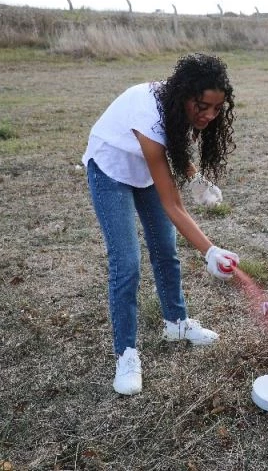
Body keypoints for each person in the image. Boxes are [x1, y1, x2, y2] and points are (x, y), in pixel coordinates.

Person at [82, 53, 240, 395]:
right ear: (186, 95)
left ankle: (176, 323)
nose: (209, 115)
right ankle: (126, 353)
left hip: (143, 167)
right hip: (109, 170)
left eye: (217, 109)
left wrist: (195, 178)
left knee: (166, 250)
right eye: (203, 106)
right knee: (127, 263)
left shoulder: (176, 104)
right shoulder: (149, 114)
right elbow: (173, 205)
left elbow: (173, 149)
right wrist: (210, 251)